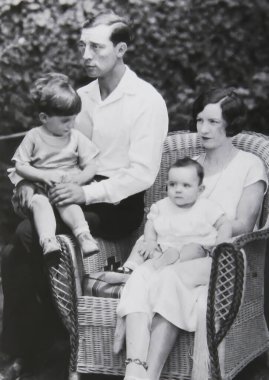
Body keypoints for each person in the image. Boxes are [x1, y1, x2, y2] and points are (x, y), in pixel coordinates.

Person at [1, 10, 168, 380]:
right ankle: (35, 349)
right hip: (69, 187)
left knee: (26, 237)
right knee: (14, 251)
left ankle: (30, 352)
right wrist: (23, 186)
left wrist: (85, 191)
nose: (86, 55)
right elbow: (47, 151)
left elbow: (142, 174)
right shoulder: (80, 97)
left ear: (121, 49)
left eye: (96, 47)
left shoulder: (146, 100)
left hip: (117, 201)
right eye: (82, 46)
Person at [115, 88, 267, 380]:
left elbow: (245, 224)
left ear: (231, 124)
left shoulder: (250, 165)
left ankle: (149, 374)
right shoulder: (191, 169)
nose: (203, 129)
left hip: (225, 256)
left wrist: (201, 235)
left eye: (212, 121)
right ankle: (135, 367)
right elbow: (167, 214)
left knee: (170, 278)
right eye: (200, 120)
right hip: (177, 252)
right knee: (145, 276)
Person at [9, 73, 100, 265]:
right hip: (40, 189)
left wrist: (80, 179)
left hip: (64, 188)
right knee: (40, 203)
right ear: (44, 117)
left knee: (69, 203)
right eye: (65, 120)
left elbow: (91, 164)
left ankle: (84, 236)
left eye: (74, 119)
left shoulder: (75, 137)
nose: (71, 125)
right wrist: (43, 175)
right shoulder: (34, 136)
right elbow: (20, 165)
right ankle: (48, 242)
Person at [113, 157, 232, 277]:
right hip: (162, 247)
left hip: (190, 249)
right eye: (173, 184)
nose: (178, 190)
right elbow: (151, 224)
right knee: (141, 244)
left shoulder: (206, 207)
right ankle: (129, 268)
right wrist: (150, 241)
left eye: (186, 185)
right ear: (167, 185)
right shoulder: (162, 205)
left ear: (200, 190)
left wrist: (220, 243)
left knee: (194, 250)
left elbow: (224, 224)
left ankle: (168, 264)